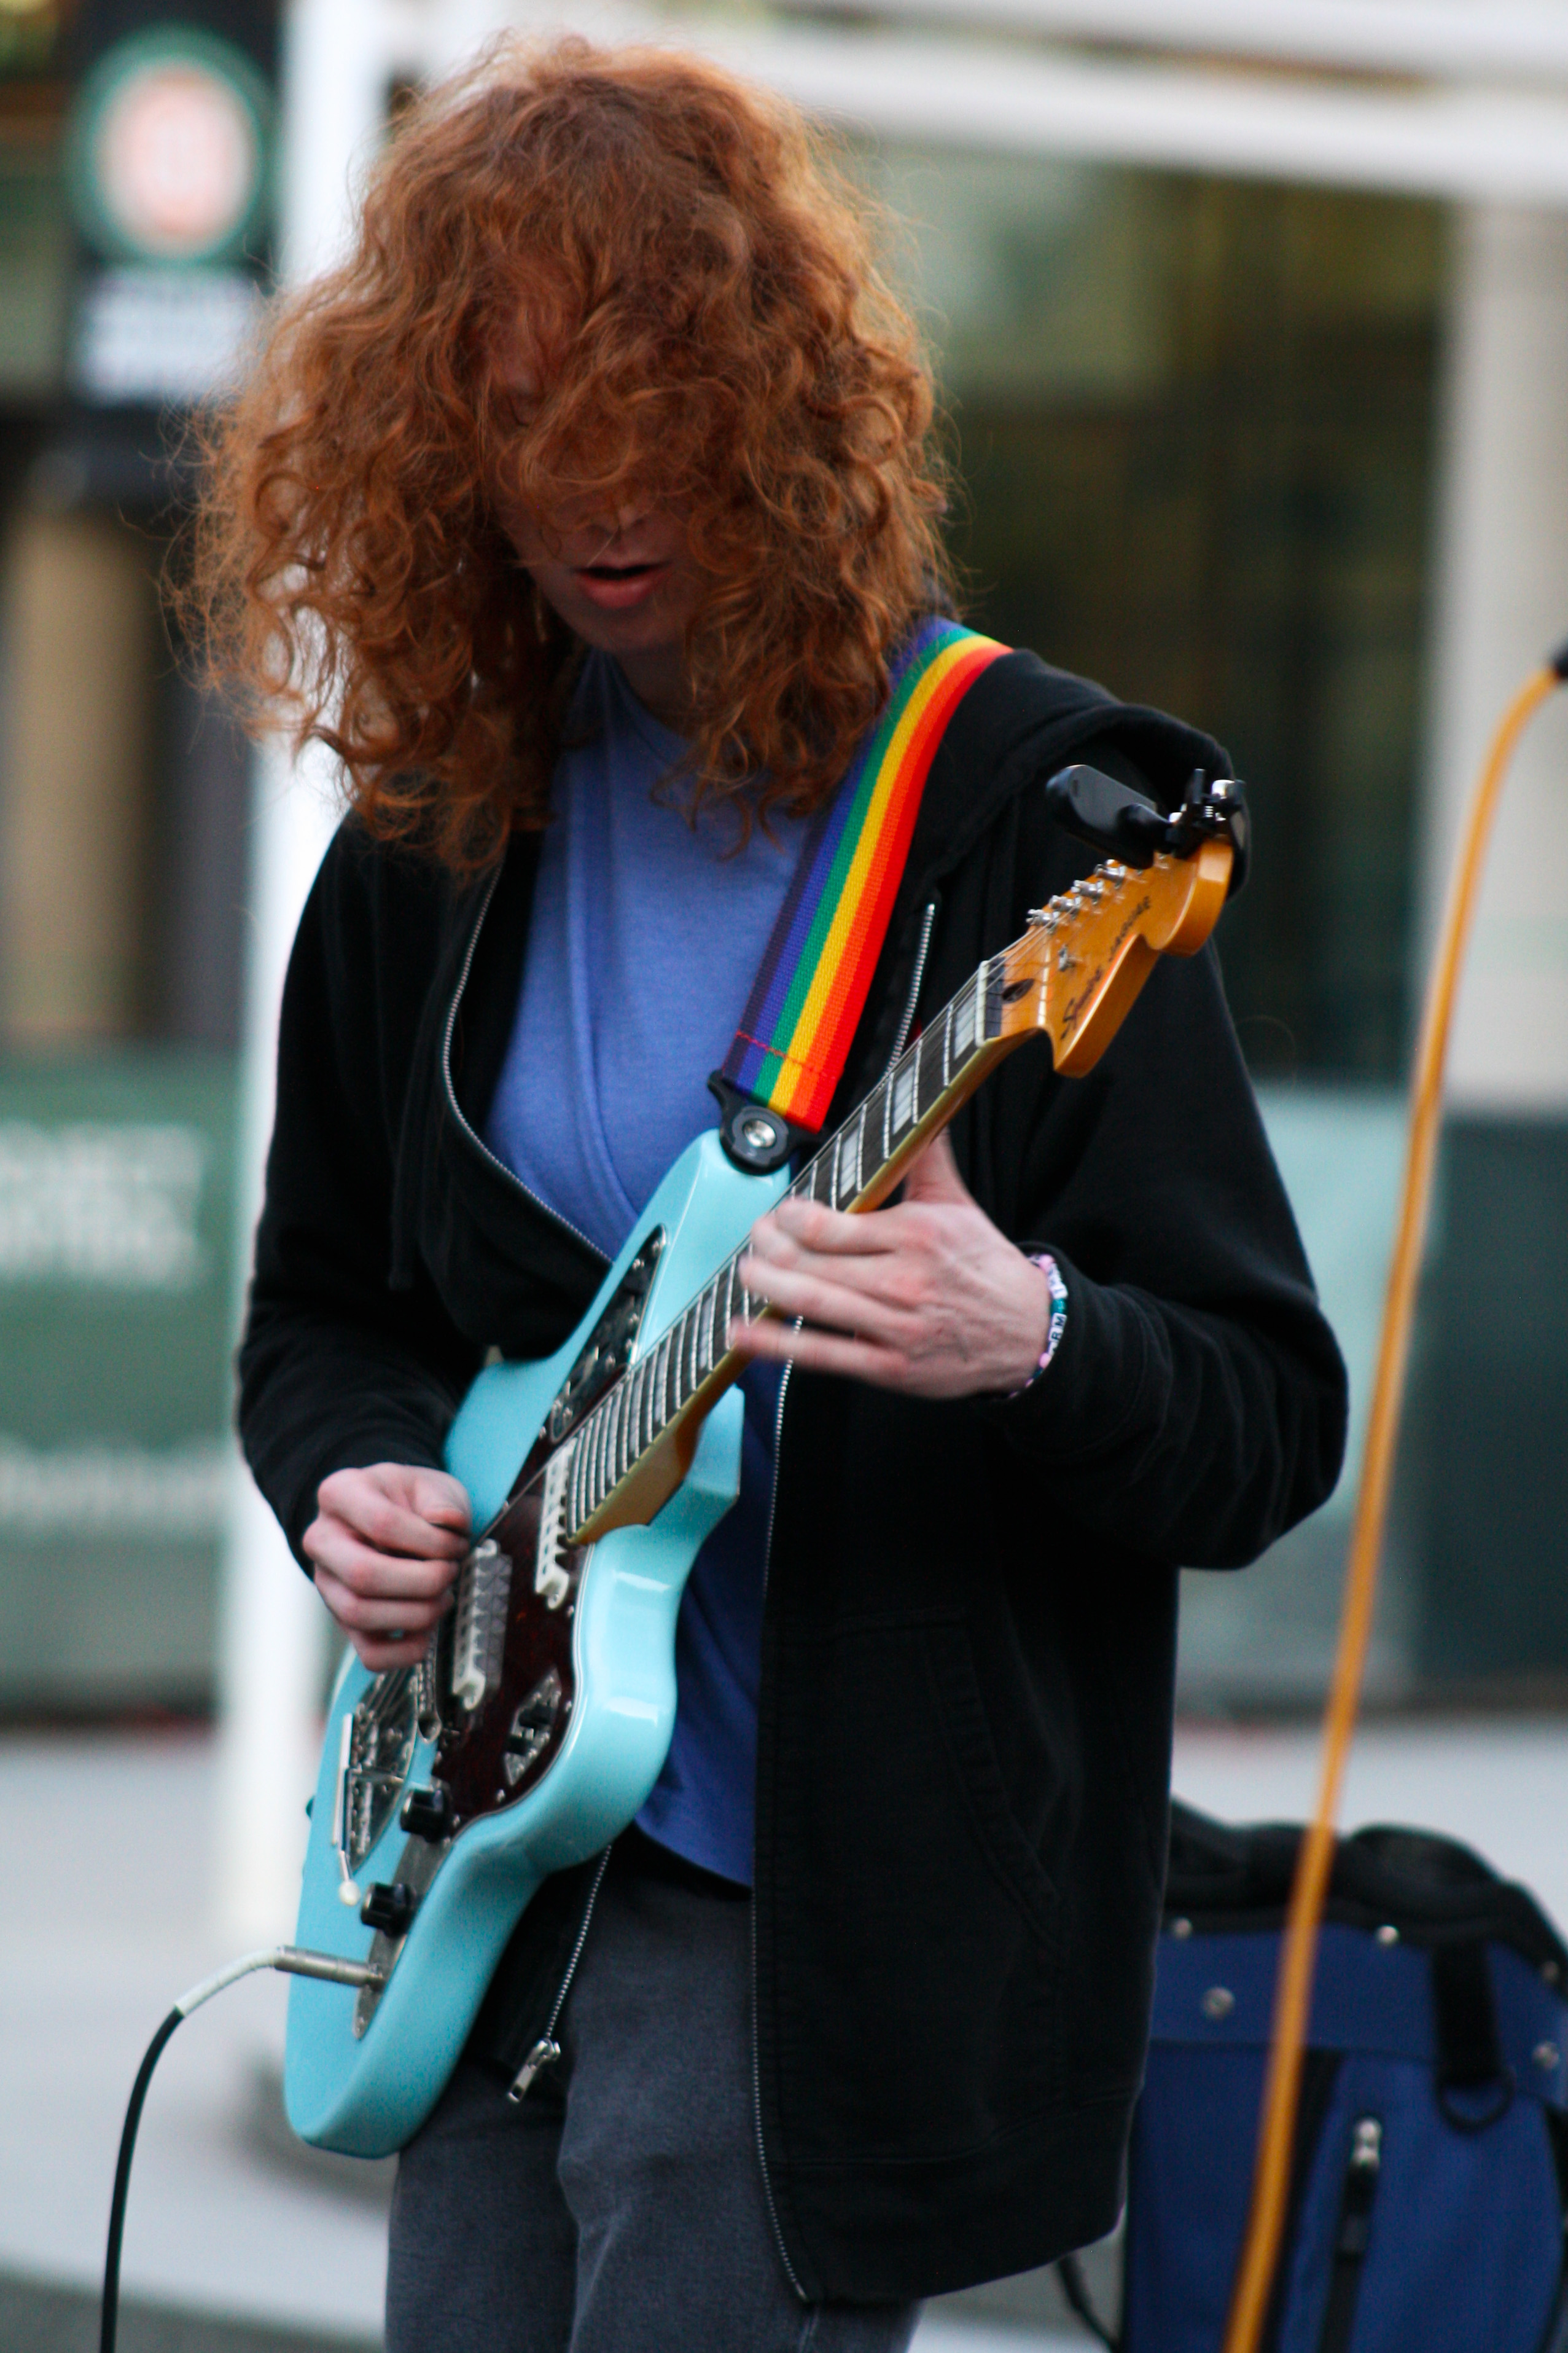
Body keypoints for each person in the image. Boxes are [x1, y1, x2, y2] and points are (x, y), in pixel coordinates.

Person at [197, 40, 1348, 2353]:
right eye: (521, 429)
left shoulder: (1024, 821)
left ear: (778, 413)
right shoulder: (442, 835)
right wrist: (362, 1481)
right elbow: (318, 1309)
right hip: (485, 1866)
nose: (596, 493)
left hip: (809, 1924)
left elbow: (1263, 1416)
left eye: (652, 421)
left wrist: (1020, 1334)